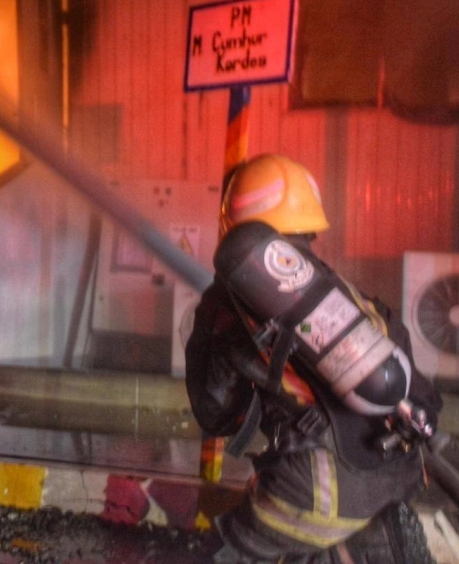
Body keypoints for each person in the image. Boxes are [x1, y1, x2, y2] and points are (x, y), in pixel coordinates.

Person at [185, 153, 443, 563]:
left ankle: (351, 541)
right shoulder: (343, 298)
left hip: (316, 493)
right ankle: (368, 543)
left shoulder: (228, 305)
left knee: (216, 555)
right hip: (399, 476)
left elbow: (215, 414)